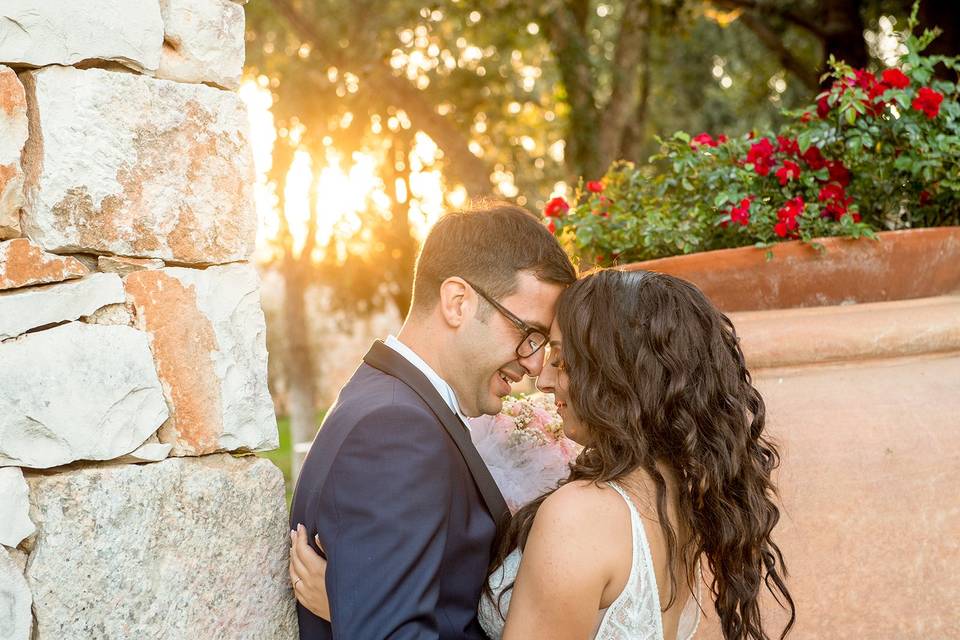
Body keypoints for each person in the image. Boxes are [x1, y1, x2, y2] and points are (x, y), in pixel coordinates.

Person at [291, 268, 796, 640]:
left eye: (563, 359)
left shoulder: (582, 516)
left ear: (620, 375)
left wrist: (354, 611)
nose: (544, 376)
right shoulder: (677, 503)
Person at [288, 203, 577, 639]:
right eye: (527, 334)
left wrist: (346, 608)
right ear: (457, 302)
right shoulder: (393, 430)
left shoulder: (397, 405)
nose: (535, 365)